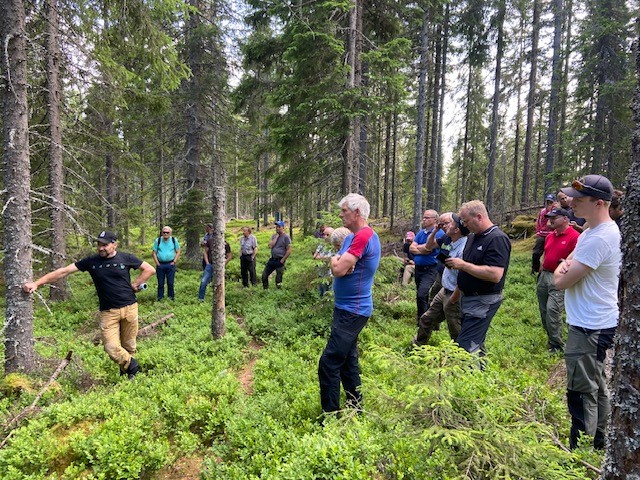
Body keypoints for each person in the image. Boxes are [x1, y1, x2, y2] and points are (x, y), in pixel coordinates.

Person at [22, 230, 155, 379]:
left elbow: (149, 269)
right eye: (99, 244)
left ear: (114, 244)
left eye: (104, 245)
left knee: (129, 346)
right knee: (111, 347)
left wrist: (136, 283)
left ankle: (128, 376)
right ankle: (134, 367)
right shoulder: (91, 262)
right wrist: (37, 283)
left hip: (130, 307)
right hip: (108, 312)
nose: (100, 248)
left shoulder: (126, 258)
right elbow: (63, 271)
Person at [554, 174, 621, 450]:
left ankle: (581, 449)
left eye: (580, 199)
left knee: (581, 391)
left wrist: (563, 268)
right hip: (590, 322)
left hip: (591, 325)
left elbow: (560, 280)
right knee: (595, 384)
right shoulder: (589, 232)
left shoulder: (600, 238)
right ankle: (600, 440)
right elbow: (565, 264)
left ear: (600, 203)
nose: (572, 203)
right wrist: (565, 265)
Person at [318, 194, 381, 413]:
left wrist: (338, 264)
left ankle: (331, 416)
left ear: (357, 212)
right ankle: (356, 408)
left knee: (329, 363)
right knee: (347, 360)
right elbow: (338, 261)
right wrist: (339, 262)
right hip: (345, 308)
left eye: (344, 210)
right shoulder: (350, 237)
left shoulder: (364, 236)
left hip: (353, 311)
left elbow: (337, 268)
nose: (340, 214)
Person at [445, 200, 511, 358]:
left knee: (466, 345)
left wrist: (463, 265)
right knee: (476, 343)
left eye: (466, 221)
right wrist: (455, 296)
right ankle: (481, 376)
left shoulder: (497, 239)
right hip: (467, 299)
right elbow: (467, 271)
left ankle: (468, 379)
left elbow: (495, 275)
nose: (464, 226)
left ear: (479, 217)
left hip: (483, 300)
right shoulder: (473, 238)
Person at [414, 213, 469, 346]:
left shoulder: (464, 249)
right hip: (444, 289)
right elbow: (428, 246)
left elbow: (464, 277)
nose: (445, 226)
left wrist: (453, 299)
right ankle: (418, 346)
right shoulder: (448, 239)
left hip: (454, 294)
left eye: (449, 224)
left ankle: (463, 360)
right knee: (426, 318)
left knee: (455, 329)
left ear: (456, 230)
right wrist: (435, 230)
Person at [536, 208, 579, 354]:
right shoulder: (550, 236)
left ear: (565, 219)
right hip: (544, 276)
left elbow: (577, 259)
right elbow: (546, 253)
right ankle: (551, 339)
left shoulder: (575, 236)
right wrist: (542, 267)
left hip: (559, 277)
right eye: (549, 217)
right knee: (543, 310)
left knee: (552, 309)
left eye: (554, 217)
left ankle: (557, 345)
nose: (551, 220)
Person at [409, 210, 445, 323]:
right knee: (420, 295)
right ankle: (421, 320)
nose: (424, 219)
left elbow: (428, 249)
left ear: (435, 220)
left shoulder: (439, 234)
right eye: (423, 217)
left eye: (427, 218)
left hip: (431, 269)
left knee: (423, 293)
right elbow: (412, 247)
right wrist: (421, 249)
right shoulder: (421, 233)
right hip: (419, 269)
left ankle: (427, 320)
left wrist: (419, 249)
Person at [199, 232, 232, 301]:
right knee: (203, 282)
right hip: (210, 265)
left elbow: (229, 256)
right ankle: (201, 298)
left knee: (219, 283)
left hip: (220, 266)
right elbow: (205, 252)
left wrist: (224, 264)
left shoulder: (225, 244)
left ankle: (220, 299)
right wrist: (207, 263)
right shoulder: (210, 241)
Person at [152, 226, 180, 301]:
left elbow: (178, 251)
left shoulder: (174, 240)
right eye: (164, 232)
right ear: (162, 233)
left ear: (170, 233)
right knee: (160, 283)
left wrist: (174, 261)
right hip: (160, 264)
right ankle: (160, 298)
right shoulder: (157, 241)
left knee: (170, 283)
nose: (165, 234)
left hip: (170, 264)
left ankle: (171, 298)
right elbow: (154, 253)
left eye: (167, 232)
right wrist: (157, 263)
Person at [261, 220, 292, 289]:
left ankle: (278, 292)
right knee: (264, 275)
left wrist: (283, 260)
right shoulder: (274, 236)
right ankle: (265, 289)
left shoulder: (286, 237)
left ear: (283, 227)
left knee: (278, 278)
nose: (277, 228)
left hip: (280, 260)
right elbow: (270, 246)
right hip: (272, 259)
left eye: (279, 227)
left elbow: (289, 250)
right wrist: (276, 237)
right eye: (276, 227)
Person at [532, 194, 556, 274]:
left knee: (549, 254)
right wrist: (538, 232)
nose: (549, 203)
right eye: (547, 201)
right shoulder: (542, 212)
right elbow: (538, 222)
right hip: (542, 235)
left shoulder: (556, 211)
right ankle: (535, 269)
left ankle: (548, 270)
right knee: (536, 253)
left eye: (550, 202)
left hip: (552, 235)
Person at [313, 227, 335, 297]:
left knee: (328, 294)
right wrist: (326, 258)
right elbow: (315, 256)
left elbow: (333, 258)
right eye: (324, 235)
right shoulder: (322, 244)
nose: (325, 237)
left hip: (330, 275)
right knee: (321, 293)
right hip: (320, 273)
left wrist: (320, 257)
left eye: (327, 235)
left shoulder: (335, 246)